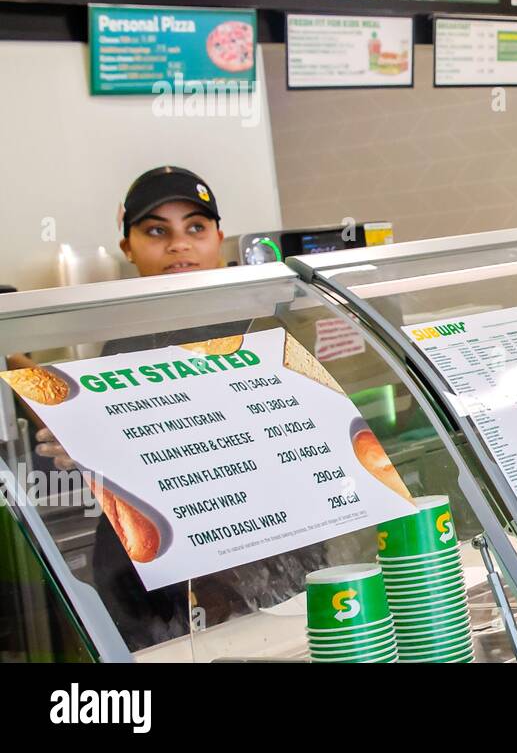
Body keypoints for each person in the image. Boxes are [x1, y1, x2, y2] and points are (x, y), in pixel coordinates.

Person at [31, 167, 325, 651]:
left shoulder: (266, 323)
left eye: (195, 228)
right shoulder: (121, 344)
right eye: (155, 231)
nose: (178, 245)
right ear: (127, 246)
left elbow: (286, 444)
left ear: (219, 238)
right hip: (147, 591)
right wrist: (83, 445)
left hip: (261, 577)